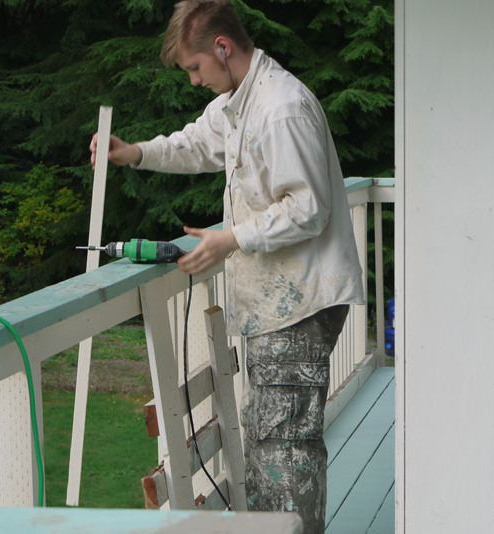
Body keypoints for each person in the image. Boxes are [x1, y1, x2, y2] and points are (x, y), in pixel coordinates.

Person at [90, 1, 364, 531]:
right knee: (270, 441)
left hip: (300, 303)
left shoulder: (280, 107)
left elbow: (308, 207)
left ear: (223, 48)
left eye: (195, 68)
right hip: (280, 302)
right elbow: (195, 143)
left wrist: (230, 238)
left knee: (284, 449)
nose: (194, 81)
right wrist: (136, 152)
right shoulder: (239, 101)